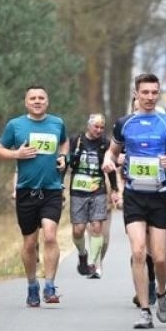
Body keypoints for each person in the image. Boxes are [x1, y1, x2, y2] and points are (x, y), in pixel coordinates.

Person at [106, 73, 166, 328]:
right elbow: (113, 151)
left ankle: (161, 291)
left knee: (159, 258)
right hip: (135, 195)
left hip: (161, 195)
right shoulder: (124, 123)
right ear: (136, 94)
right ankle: (145, 310)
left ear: (158, 94)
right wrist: (108, 160)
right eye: (145, 92)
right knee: (138, 251)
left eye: (154, 92)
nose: (149, 97)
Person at [0, 86, 68, 307]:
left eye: (41, 98)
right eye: (33, 98)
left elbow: (64, 142)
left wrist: (64, 157)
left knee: (50, 236)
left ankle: (49, 285)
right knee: (29, 242)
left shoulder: (57, 123)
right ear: (26, 102)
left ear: (47, 101)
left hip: (52, 189)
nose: (37, 101)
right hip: (27, 191)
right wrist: (16, 153)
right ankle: (32, 286)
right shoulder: (15, 125)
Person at [66, 113, 115, 279]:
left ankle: (93, 264)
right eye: (96, 127)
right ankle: (82, 254)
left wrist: (114, 189)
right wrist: (59, 185)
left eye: (102, 128)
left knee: (96, 227)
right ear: (89, 125)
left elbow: (111, 167)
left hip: (98, 190)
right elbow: (65, 162)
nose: (99, 130)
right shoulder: (76, 140)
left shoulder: (105, 144)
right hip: (78, 191)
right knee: (78, 230)